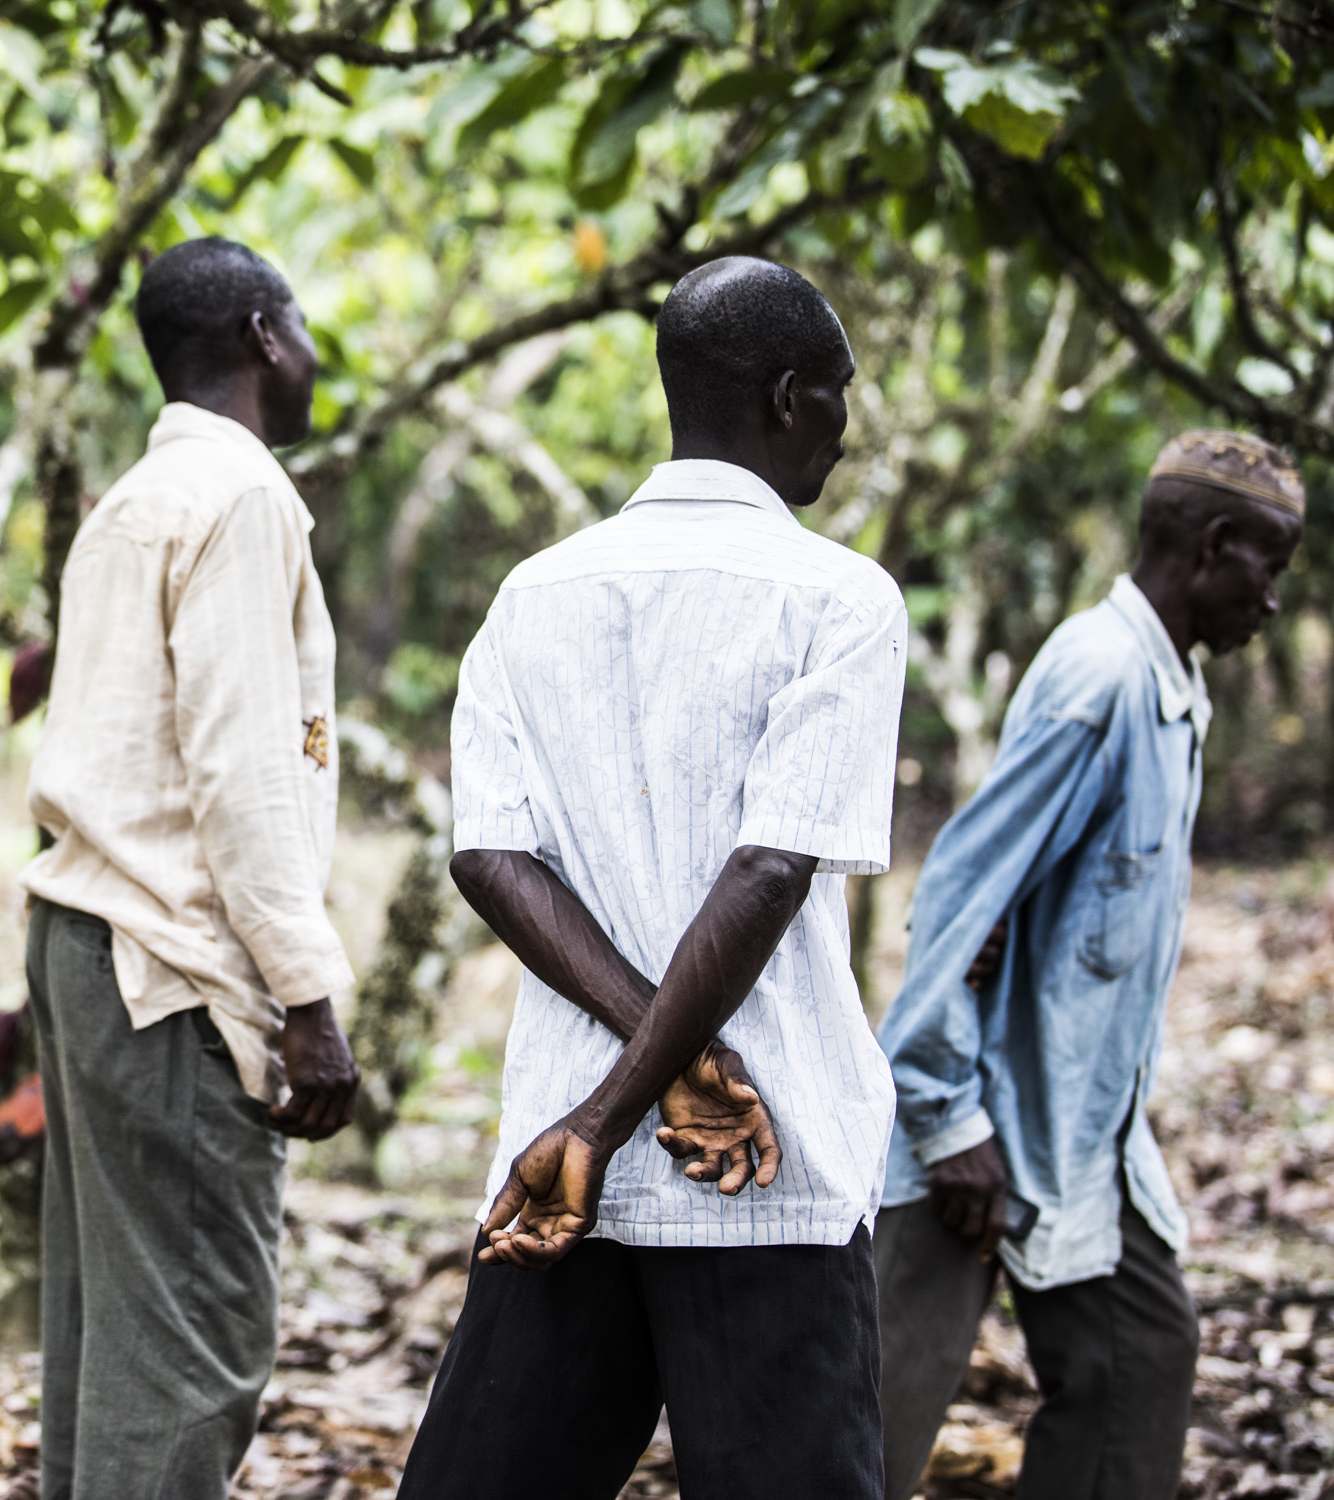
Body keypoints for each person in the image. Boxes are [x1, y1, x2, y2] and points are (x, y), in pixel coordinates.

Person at [396, 256, 907, 1500]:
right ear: (786, 397)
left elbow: (490, 857)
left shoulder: (532, 595)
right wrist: (639, 1096)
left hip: (566, 1168)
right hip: (759, 1163)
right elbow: (771, 866)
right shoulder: (841, 598)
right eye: (837, 394)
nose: (844, 427)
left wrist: (602, 1107)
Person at [875, 430, 1306, 1500]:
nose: (1272, 602)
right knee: (864, 1436)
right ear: (1213, 546)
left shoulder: (1170, 690)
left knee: (1139, 1363)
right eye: (1269, 569)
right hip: (969, 1131)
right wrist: (949, 1123)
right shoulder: (1100, 679)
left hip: (1077, 1133)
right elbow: (960, 894)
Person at [17, 236, 362, 1500]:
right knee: (192, 1354)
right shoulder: (241, 497)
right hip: (167, 969)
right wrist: (306, 996)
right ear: (267, 336)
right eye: (303, 328)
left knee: (110, 1329)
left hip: (84, 939)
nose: (312, 355)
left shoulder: (134, 500)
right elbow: (242, 768)